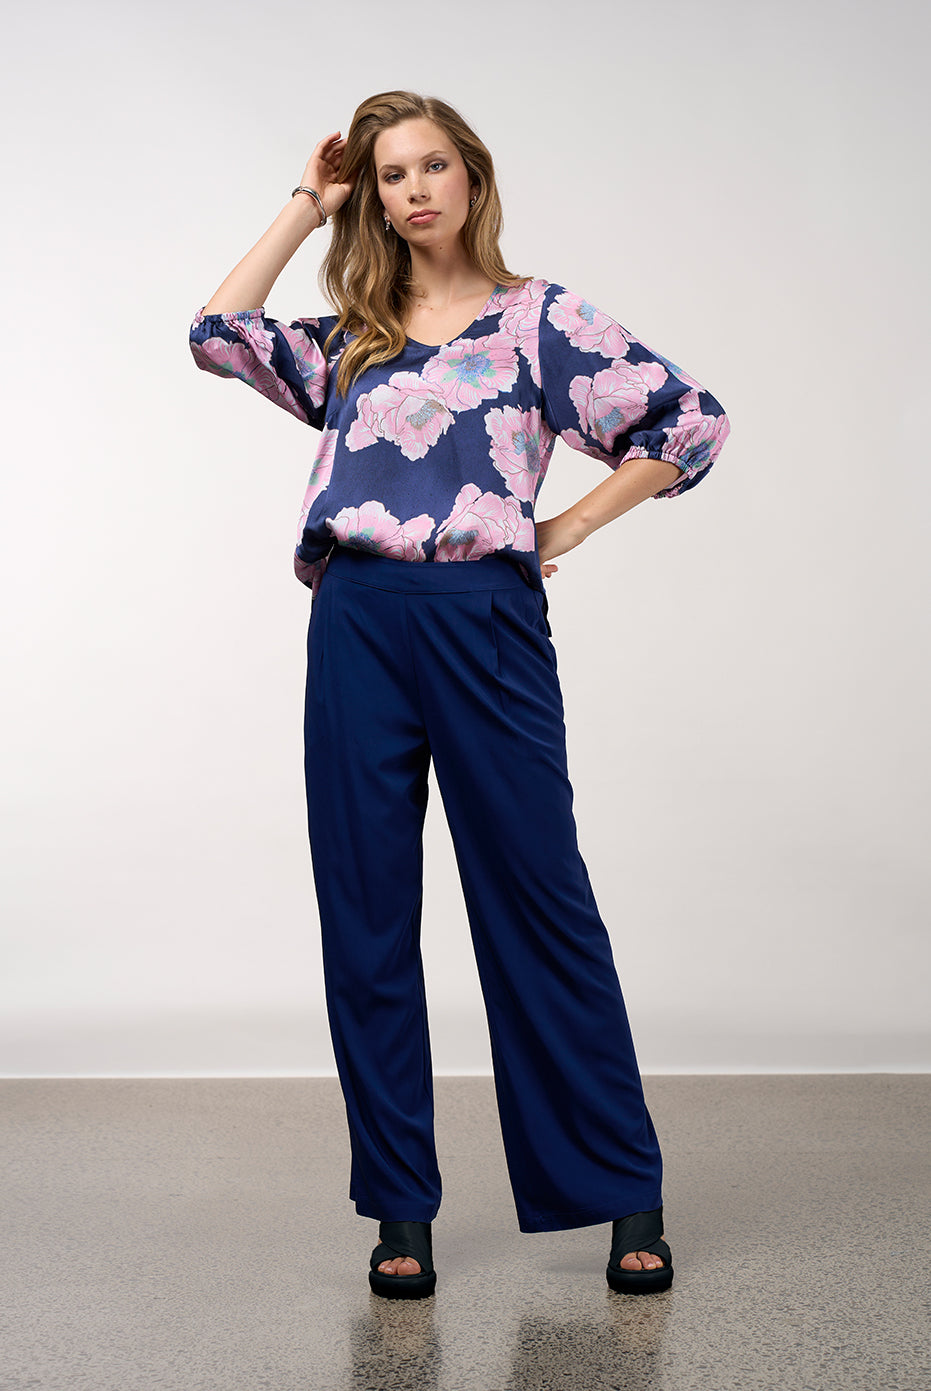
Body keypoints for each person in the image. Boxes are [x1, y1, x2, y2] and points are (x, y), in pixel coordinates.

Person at [189, 89, 730, 1301]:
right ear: (373, 198)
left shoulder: (541, 319)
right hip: (358, 620)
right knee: (367, 915)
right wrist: (308, 201)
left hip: (484, 619)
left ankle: (624, 1190)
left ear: (471, 177)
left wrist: (567, 525)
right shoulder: (356, 335)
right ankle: (400, 1208)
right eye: (390, 175)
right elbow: (218, 331)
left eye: (431, 165)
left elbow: (688, 420)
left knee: (539, 900)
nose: (413, 190)